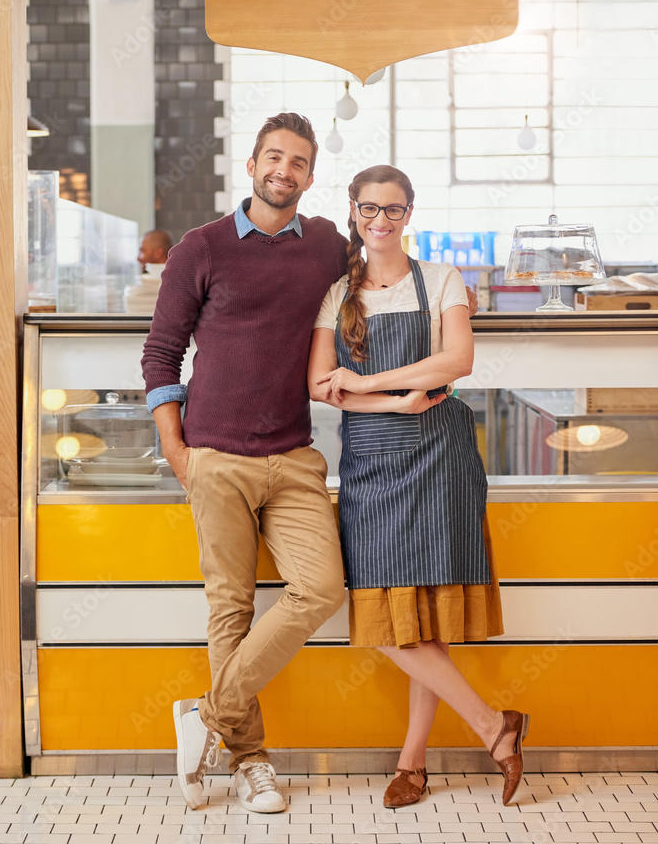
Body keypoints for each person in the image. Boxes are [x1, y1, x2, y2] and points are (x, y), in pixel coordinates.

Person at [141, 113, 349, 814]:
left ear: (311, 177)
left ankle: (205, 716)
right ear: (253, 164)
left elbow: (380, 267)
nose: (283, 171)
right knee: (229, 608)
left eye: (297, 162)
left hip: (293, 456)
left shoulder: (325, 244)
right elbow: (161, 354)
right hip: (216, 457)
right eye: (273, 157)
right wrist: (177, 449)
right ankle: (251, 761)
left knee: (320, 590)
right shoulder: (200, 249)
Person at [308, 165, 530, 810]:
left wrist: (369, 383)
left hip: (440, 458)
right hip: (374, 460)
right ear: (352, 211)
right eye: (369, 208)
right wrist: (394, 402)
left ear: (410, 214)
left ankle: (413, 761)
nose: (381, 220)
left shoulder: (441, 279)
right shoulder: (334, 294)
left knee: (423, 610)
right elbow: (320, 383)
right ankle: (495, 726)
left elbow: (456, 362)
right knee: (383, 615)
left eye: (394, 209)